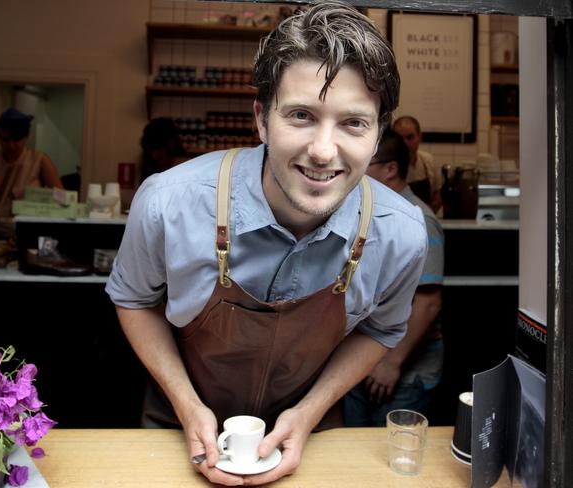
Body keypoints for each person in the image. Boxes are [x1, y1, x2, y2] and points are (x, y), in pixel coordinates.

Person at [106, 2, 427, 486]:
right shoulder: (167, 203)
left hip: (310, 436)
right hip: (177, 431)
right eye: (301, 115)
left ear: (379, 132)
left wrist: (310, 412)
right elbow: (133, 299)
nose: (323, 151)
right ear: (261, 118)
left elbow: (382, 330)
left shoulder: (401, 232)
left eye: (354, 123)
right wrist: (187, 404)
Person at [344, 129, 444, 426]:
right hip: (360, 361)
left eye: (365, 165)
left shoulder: (418, 220)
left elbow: (427, 304)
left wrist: (391, 362)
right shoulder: (369, 213)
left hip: (401, 370)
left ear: (390, 170)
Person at [0, 107, 63, 218]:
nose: (11, 145)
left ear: (26, 137)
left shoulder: (39, 159)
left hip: (29, 224)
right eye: (5, 140)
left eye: (16, 139)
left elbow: (62, 199)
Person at [392, 115, 442, 212]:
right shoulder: (388, 167)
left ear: (420, 137)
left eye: (410, 137)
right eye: (400, 138)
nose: (405, 143)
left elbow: (437, 196)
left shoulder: (428, 161)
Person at [139, 117, 186, 183]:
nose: (154, 155)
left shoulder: (185, 168)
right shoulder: (149, 167)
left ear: (171, 143)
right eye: (150, 150)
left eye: (158, 149)